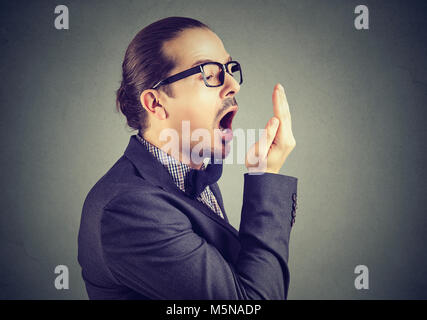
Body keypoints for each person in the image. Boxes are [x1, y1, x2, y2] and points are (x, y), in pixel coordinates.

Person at [78, 16, 298, 300]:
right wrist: (265, 177)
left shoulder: (193, 175)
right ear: (156, 103)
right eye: (209, 72)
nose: (233, 84)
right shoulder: (128, 209)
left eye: (229, 68)